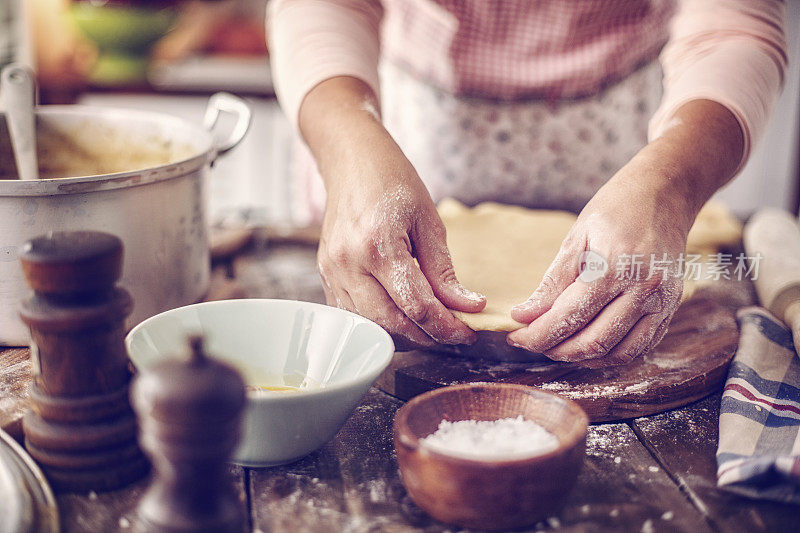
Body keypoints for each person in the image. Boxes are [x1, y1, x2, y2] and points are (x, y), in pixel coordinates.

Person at [267, 0, 787, 367]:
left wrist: (670, 186)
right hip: (417, 123)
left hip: (618, 131)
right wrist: (348, 144)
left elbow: (732, 28)